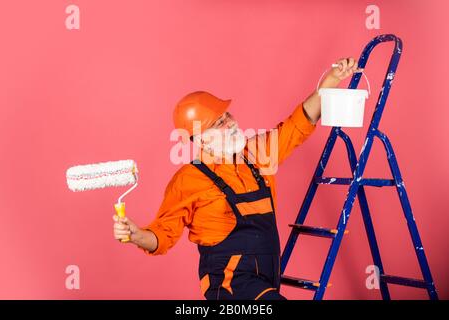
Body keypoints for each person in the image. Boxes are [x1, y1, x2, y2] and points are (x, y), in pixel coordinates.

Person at [113, 58, 362, 300]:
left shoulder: (257, 154)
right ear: (200, 139)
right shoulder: (188, 180)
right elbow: (162, 236)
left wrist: (331, 80)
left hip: (267, 278)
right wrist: (136, 235)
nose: (230, 124)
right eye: (218, 123)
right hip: (229, 283)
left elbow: (298, 124)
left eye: (227, 116)